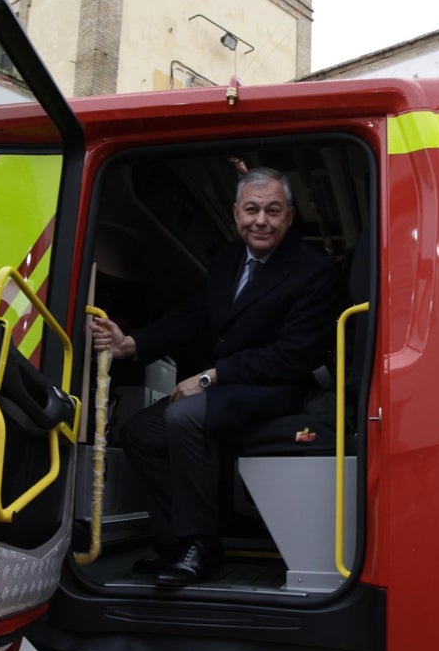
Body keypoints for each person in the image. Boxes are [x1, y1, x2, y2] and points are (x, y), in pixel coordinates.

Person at [90, 167, 340, 587]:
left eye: (273, 211)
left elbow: (293, 356)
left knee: (183, 416)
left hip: (276, 388)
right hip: (228, 385)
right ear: (236, 214)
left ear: (290, 217)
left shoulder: (313, 271)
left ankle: (199, 546)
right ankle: (174, 544)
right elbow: (195, 316)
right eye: (252, 210)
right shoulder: (227, 259)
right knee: (138, 434)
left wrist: (209, 377)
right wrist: (132, 343)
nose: (261, 220)